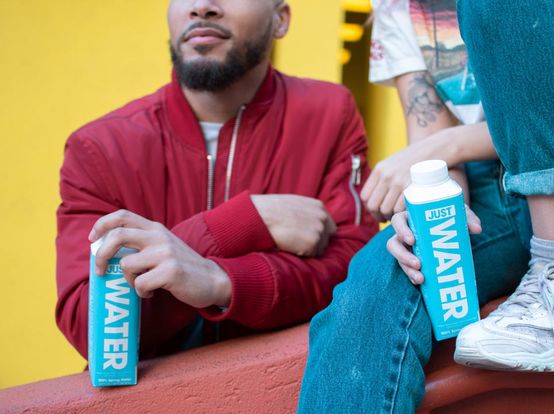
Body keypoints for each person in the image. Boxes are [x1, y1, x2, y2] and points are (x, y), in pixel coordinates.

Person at [298, 0, 554, 411]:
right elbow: (438, 154)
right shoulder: (400, 6)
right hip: (496, 198)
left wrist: (444, 145)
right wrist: (435, 215)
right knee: (378, 282)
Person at [55, 0, 377, 361]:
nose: (201, 7)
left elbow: (357, 279)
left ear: (280, 19)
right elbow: (91, 325)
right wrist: (245, 221)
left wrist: (219, 281)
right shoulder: (100, 148)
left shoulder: (329, 113)